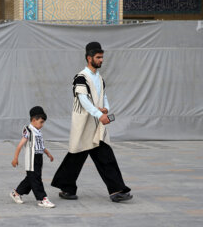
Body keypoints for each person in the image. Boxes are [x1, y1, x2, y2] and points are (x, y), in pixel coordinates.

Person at [51, 42, 133, 203]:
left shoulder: (99, 78)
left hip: (96, 125)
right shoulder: (81, 77)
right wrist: (98, 113)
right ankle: (67, 187)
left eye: (102, 57)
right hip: (84, 124)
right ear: (89, 58)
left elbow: (104, 96)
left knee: (104, 156)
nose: (101, 60)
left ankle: (116, 190)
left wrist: (105, 109)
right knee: (76, 156)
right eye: (98, 57)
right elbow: (83, 99)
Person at [10, 106, 55, 208]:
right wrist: (15, 158)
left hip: (39, 158)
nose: (42, 125)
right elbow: (20, 145)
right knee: (36, 179)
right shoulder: (29, 131)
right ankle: (42, 198)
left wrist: (48, 153)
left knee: (32, 178)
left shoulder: (38, 132)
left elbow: (41, 146)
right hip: (32, 159)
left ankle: (16, 193)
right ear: (34, 120)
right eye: (41, 122)